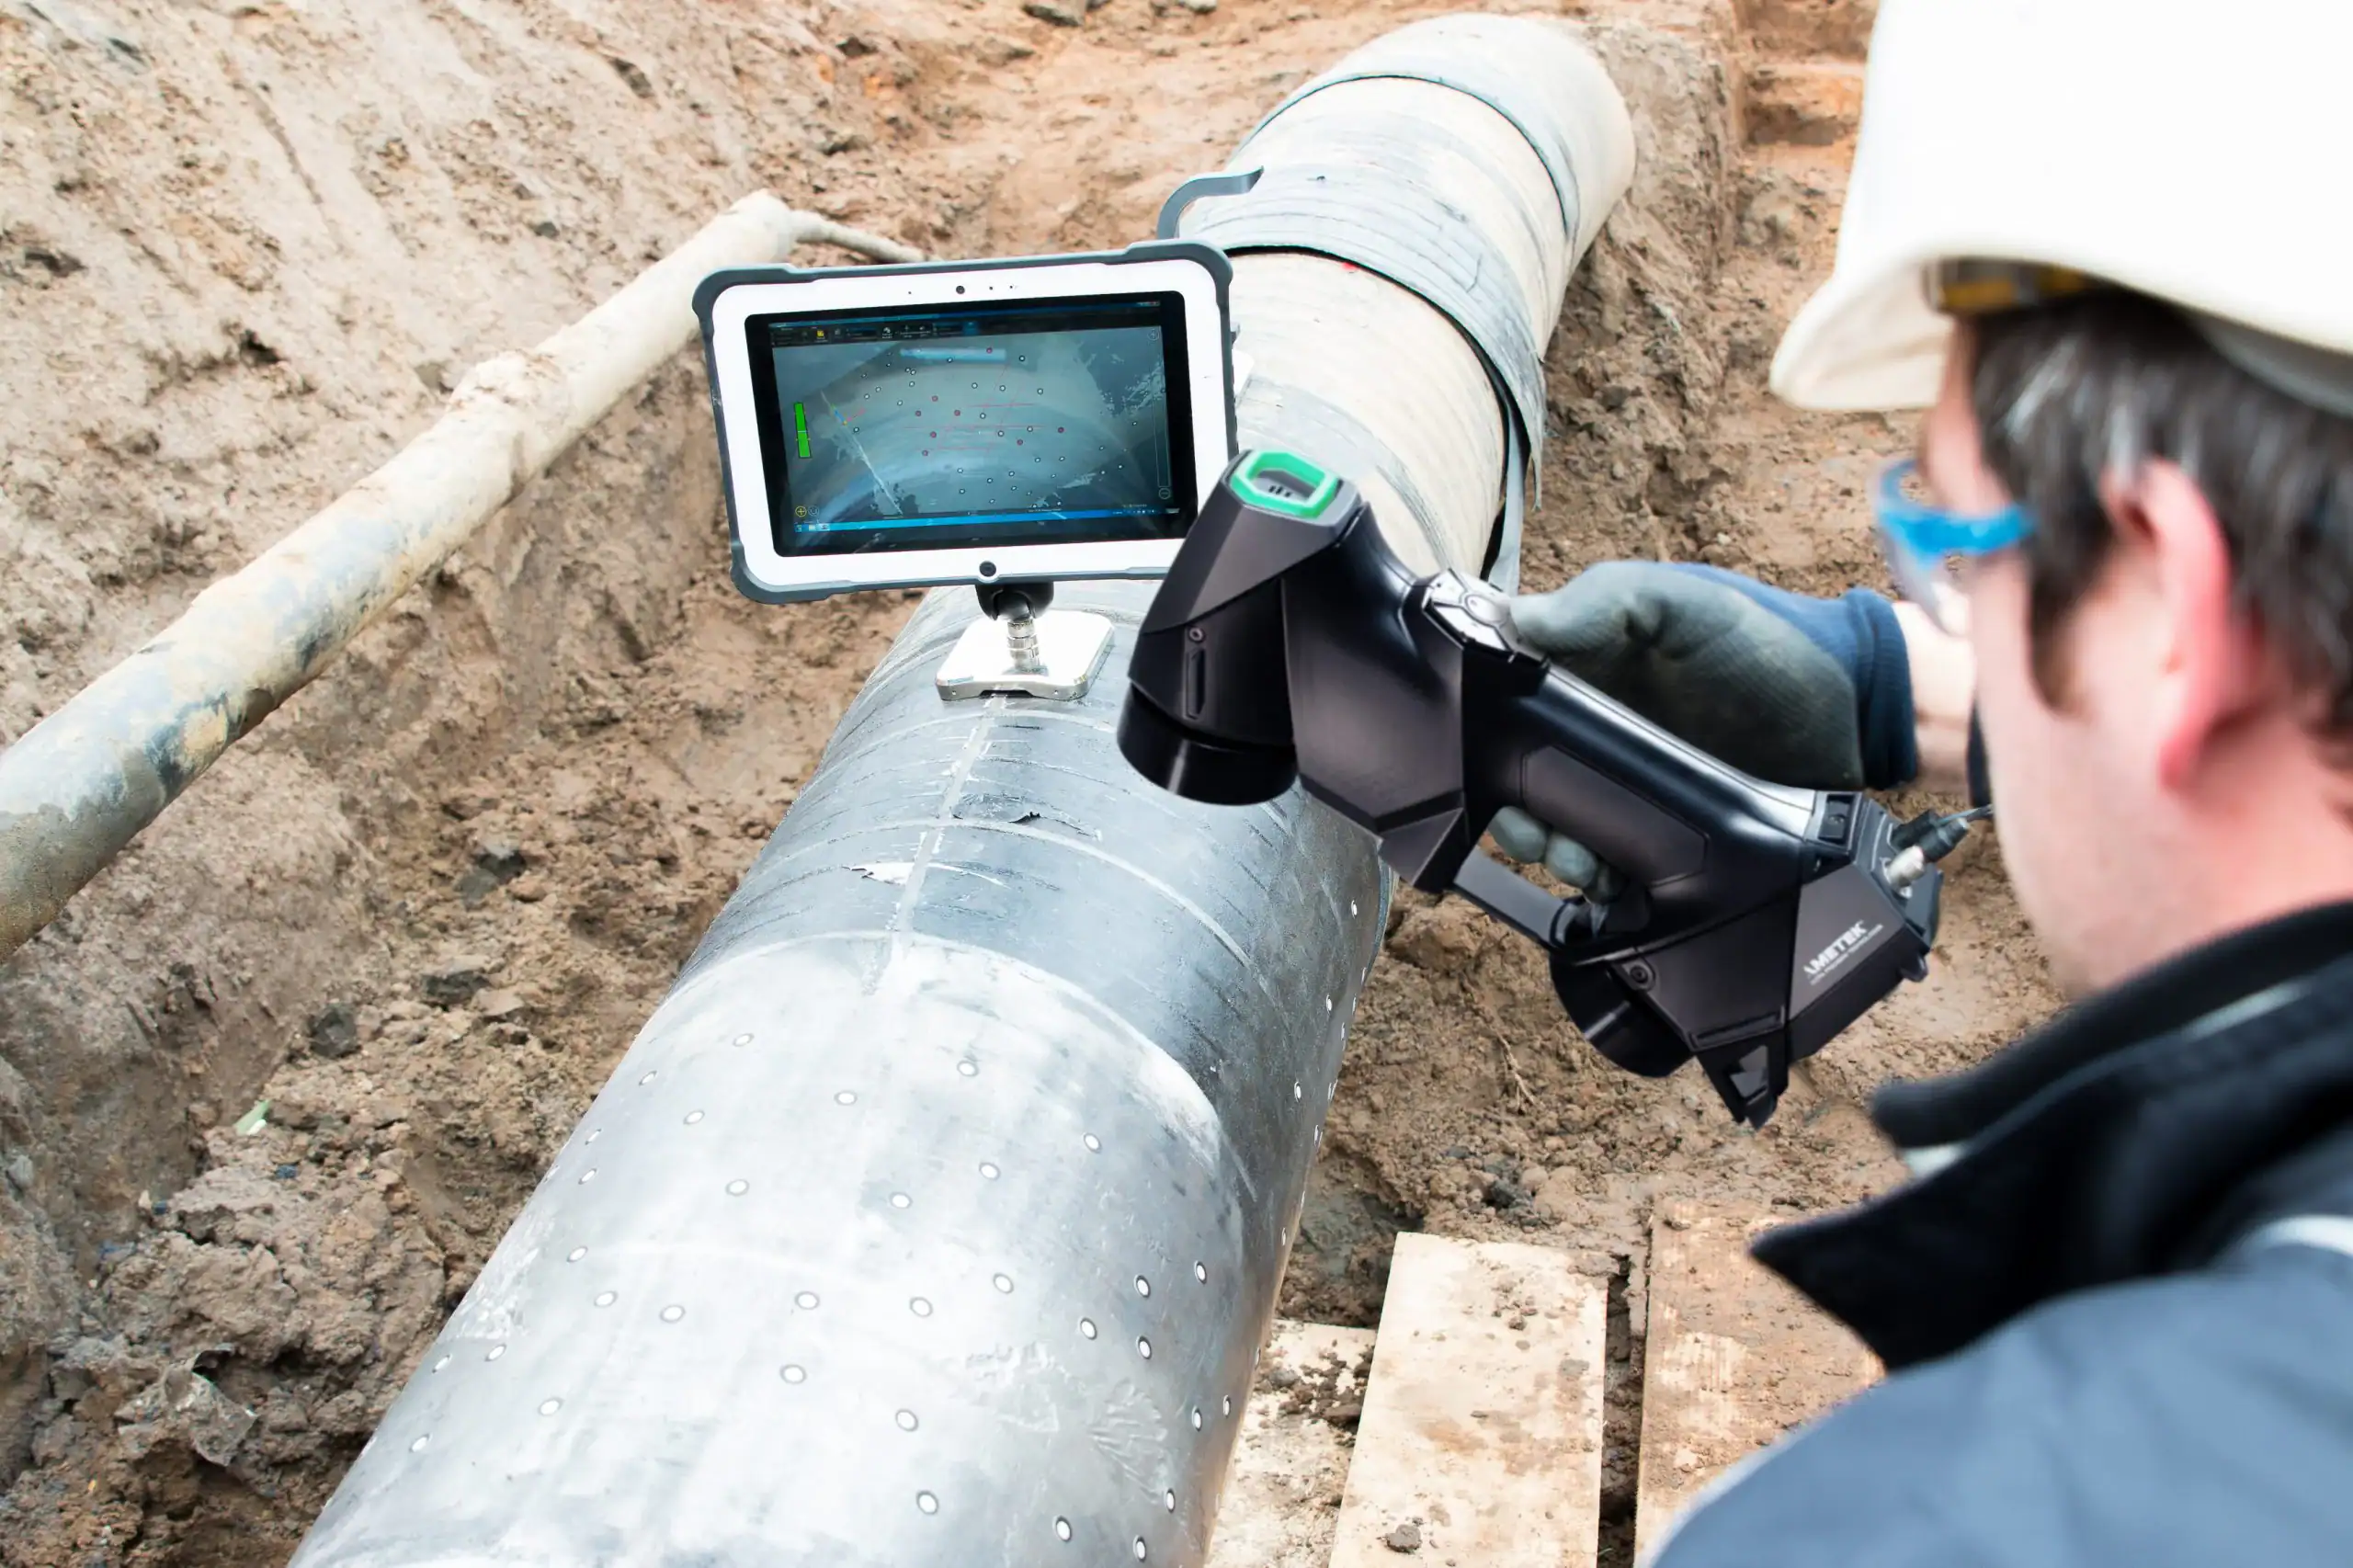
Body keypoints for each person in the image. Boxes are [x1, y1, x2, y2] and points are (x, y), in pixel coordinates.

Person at [1494, 1, 2353, 1562]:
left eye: (1951, 548)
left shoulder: (1936, 1528)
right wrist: (1891, 691)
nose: (1945, 604)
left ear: (2170, 600)